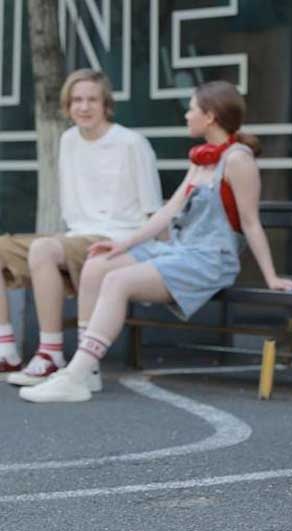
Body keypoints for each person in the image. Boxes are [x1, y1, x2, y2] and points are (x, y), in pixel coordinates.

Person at [20, 80, 292, 403]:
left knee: (117, 281)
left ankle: (73, 377)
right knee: (99, 264)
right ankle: (88, 372)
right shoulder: (202, 159)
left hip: (209, 259)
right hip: (178, 250)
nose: (187, 116)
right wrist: (123, 244)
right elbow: (167, 211)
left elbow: (251, 223)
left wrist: (271, 277)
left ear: (210, 116)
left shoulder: (237, 160)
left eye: (192, 109)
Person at [1, 69, 162, 388]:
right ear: (67, 105)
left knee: (43, 248)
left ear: (106, 105)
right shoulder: (68, 140)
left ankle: (50, 354)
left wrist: (158, 259)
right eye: (76, 100)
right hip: (76, 237)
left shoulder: (131, 143)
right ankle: (6, 350)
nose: (84, 107)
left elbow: (154, 210)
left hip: (116, 238)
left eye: (92, 99)